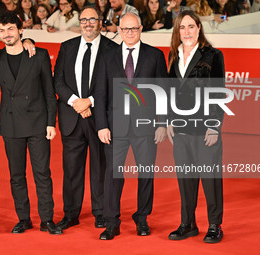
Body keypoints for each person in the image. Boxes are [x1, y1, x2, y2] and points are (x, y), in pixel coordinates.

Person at [95, 12, 168, 240]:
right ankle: (111, 221)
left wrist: (162, 123)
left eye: (133, 29)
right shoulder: (107, 56)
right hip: (115, 127)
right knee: (113, 174)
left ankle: (142, 218)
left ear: (141, 28)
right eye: (125, 29)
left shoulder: (155, 56)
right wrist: (101, 125)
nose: (129, 33)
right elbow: (100, 92)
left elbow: (163, 92)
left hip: (145, 126)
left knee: (145, 173)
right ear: (118, 29)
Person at [0, 12, 62, 235]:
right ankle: (23, 218)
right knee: (16, 175)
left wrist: (52, 122)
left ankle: (47, 219)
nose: (6, 34)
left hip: (38, 123)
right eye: (2, 30)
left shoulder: (38, 55)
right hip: (11, 125)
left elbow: (49, 92)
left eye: (11, 29)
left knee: (42, 173)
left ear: (21, 30)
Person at [54, 6, 117, 231]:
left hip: (99, 118)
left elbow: (114, 85)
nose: (88, 23)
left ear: (100, 22)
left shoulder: (112, 49)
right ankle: (71, 213)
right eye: (84, 20)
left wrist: (89, 101)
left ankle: (100, 212)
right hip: (72, 117)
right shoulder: (67, 47)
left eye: (92, 19)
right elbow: (58, 81)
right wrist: (76, 102)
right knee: (71, 168)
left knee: (100, 166)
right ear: (79, 22)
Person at [166, 10, 225, 244]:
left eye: (191, 26)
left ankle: (214, 225)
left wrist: (214, 126)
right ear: (177, 31)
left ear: (199, 28)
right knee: (185, 179)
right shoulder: (173, 56)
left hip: (205, 130)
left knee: (210, 180)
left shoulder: (213, 55)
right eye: (182, 27)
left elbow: (219, 92)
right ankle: (188, 223)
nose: (186, 31)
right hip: (181, 130)